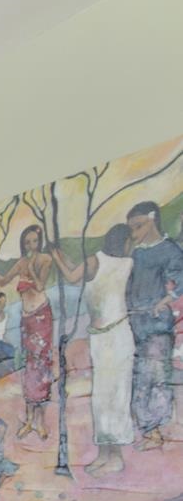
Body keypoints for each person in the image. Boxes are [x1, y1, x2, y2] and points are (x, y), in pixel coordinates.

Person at [56, 223, 136, 474]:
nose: (131, 244)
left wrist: (57, 256)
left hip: (118, 335)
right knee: (102, 397)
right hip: (100, 338)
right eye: (129, 240)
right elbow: (73, 273)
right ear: (121, 241)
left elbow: (71, 274)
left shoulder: (125, 263)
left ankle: (117, 457)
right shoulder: (98, 261)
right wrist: (58, 255)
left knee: (117, 395)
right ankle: (104, 454)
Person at [0, 225, 58, 440]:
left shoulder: (44, 260)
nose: (30, 246)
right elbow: (4, 280)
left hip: (42, 316)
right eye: (27, 242)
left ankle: (40, 422)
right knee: (28, 366)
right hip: (26, 318)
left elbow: (40, 286)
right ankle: (30, 420)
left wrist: (31, 268)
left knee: (42, 367)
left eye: (34, 241)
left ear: (38, 242)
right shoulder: (22, 262)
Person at [125, 200, 183, 448]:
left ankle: (155, 432)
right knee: (140, 377)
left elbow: (180, 282)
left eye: (138, 226)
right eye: (132, 229)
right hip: (135, 324)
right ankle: (148, 430)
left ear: (152, 219)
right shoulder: (137, 252)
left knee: (156, 378)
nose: (135, 233)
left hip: (158, 326)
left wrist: (164, 301)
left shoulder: (170, 250)